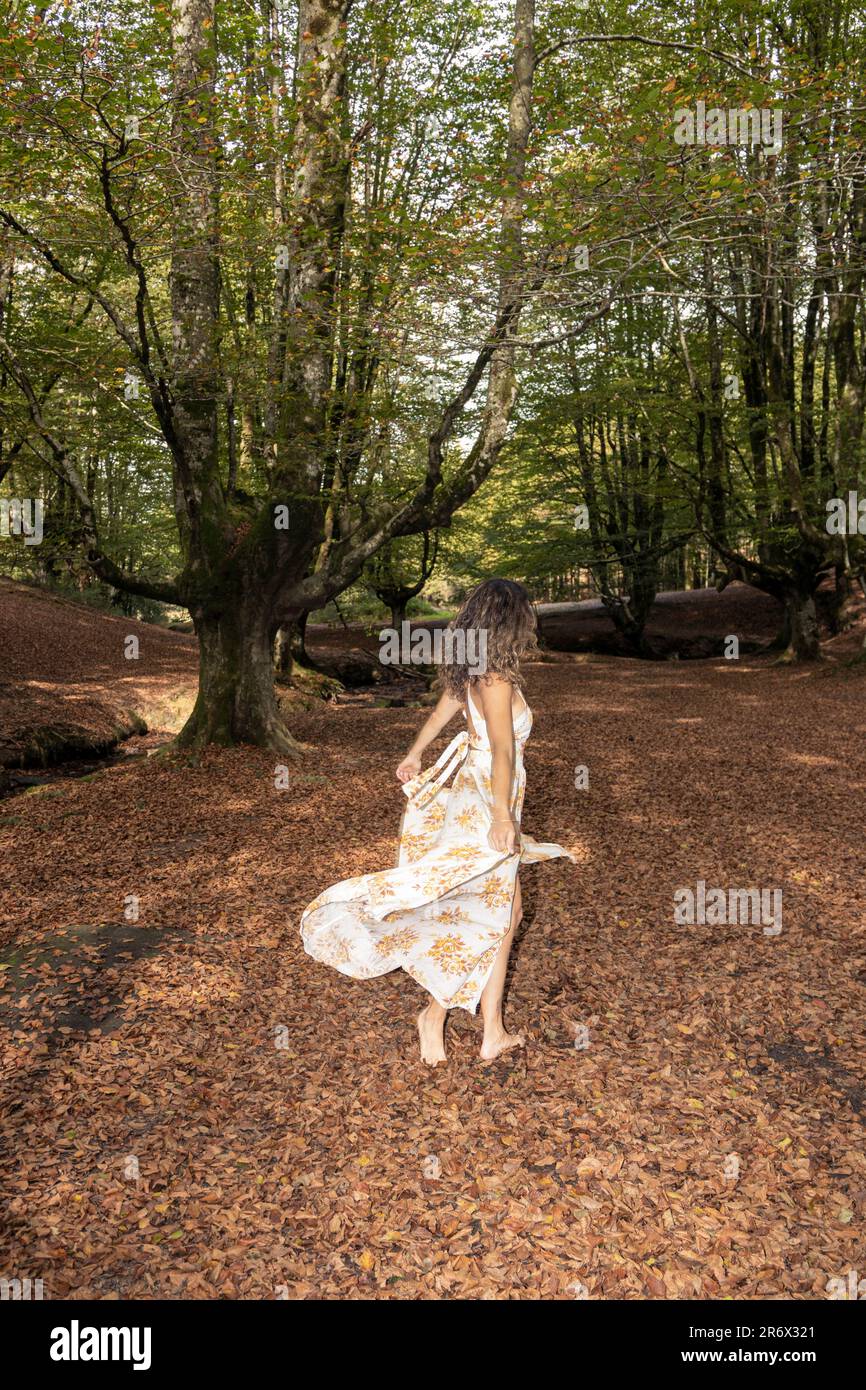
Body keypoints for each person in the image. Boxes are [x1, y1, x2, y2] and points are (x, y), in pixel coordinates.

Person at [300, 578, 573, 1064]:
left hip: (476, 792)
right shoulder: (496, 677)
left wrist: (415, 751)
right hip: (489, 798)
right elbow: (505, 748)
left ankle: (489, 1030)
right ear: (513, 621)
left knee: (503, 914)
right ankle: (437, 1014)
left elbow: (443, 710)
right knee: (492, 914)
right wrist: (503, 814)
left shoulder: (475, 667)